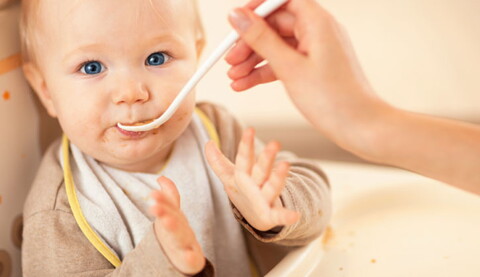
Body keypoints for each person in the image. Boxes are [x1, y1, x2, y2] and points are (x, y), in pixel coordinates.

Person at [20, 0, 332, 276]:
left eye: (156, 58)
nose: (131, 93)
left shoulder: (216, 131)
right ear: (45, 90)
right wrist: (161, 264)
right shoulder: (57, 213)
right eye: (92, 67)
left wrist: (275, 204)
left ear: (196, 55)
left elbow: (318, 195)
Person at [225, 0, 480, 195]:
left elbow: (311, 190)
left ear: (199, 47)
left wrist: (270, 206)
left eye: (181, 56)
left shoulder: (219, 128)